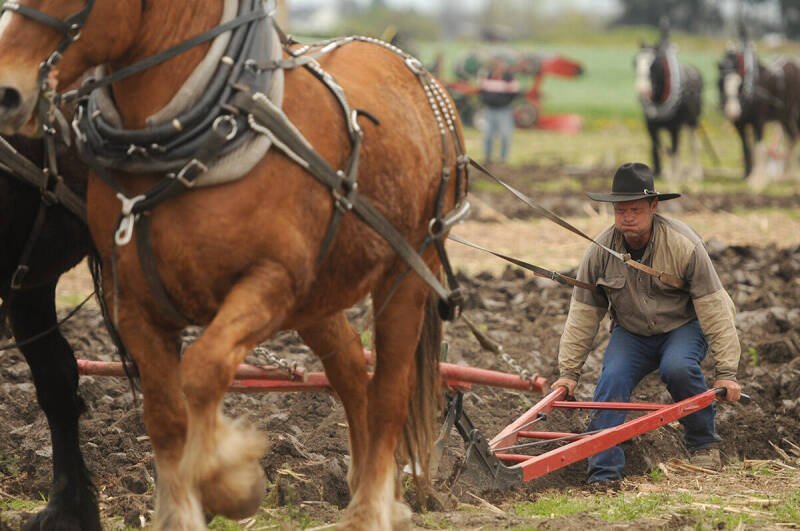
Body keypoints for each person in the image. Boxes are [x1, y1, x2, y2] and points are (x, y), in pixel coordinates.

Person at [551, 162, 742, 485]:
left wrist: (727, 372)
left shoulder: (683, 244)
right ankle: (603, 473)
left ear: (654, 206)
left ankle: (703, 443)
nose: (627, 217)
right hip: (632, 332)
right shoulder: (599, 252)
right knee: (611, 381)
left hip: (683, 326)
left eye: (636, 209)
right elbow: (584, 313)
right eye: (620, 210)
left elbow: (713, 306)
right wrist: (568, 373)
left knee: (678, 367)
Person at [478, 58, 519, 164]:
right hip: (490, 110)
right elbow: (482, 91)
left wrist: (504, 101)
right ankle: (487, 158)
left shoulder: (509, 78)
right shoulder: (488, 77)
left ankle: (503, 159)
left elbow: (514, 93)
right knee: (488, 135)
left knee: (505, 135)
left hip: (504, 111)